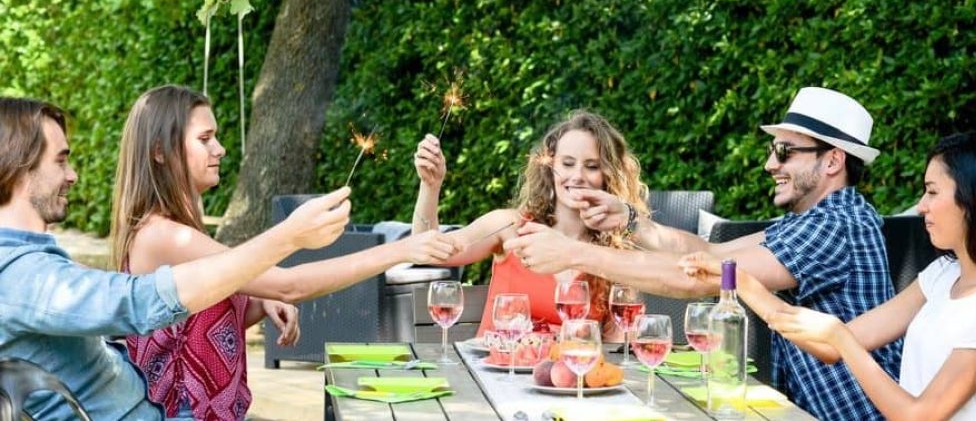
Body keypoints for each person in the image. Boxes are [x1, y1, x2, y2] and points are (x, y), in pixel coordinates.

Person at [504, 87, 900, 419]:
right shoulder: (815, 220)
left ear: (833, 160)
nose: (769, 164)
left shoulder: (833, 227)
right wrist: (629, 220)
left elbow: (704, 278)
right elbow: (711, 252)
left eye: (784, 151)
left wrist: (575, 254)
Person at [109, 85, 461, 419]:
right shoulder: (164, 236)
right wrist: (400, 249)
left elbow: (198, 322)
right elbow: (289, 284)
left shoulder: (183, 229)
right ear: (159, 151)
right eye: (205, 139)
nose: (220, 149)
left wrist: (262, 303)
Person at [0, 97, 350, 419]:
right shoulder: (24, 275)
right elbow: (137, 303)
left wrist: (257, 296)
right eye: (61, 160)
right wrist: (288, 237)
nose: (73, 174)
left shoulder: (32, 263)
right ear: (17, 166)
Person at [684, 131, 976, 419]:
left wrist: (841, 338)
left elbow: (919, 416)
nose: (922, 205)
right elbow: (827, 345)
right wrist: (738, 281)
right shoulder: (943, 276)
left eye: (933, 192)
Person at [412, 110, 648, 340]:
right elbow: (430, 253)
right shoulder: (510, 226)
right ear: (550, 167)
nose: (577, 175)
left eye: (592, 166)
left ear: (607, 175)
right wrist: (430, 186)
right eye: (567, 163)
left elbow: (619, 348)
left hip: (565, 376)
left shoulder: (614, 252)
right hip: (493, 374)